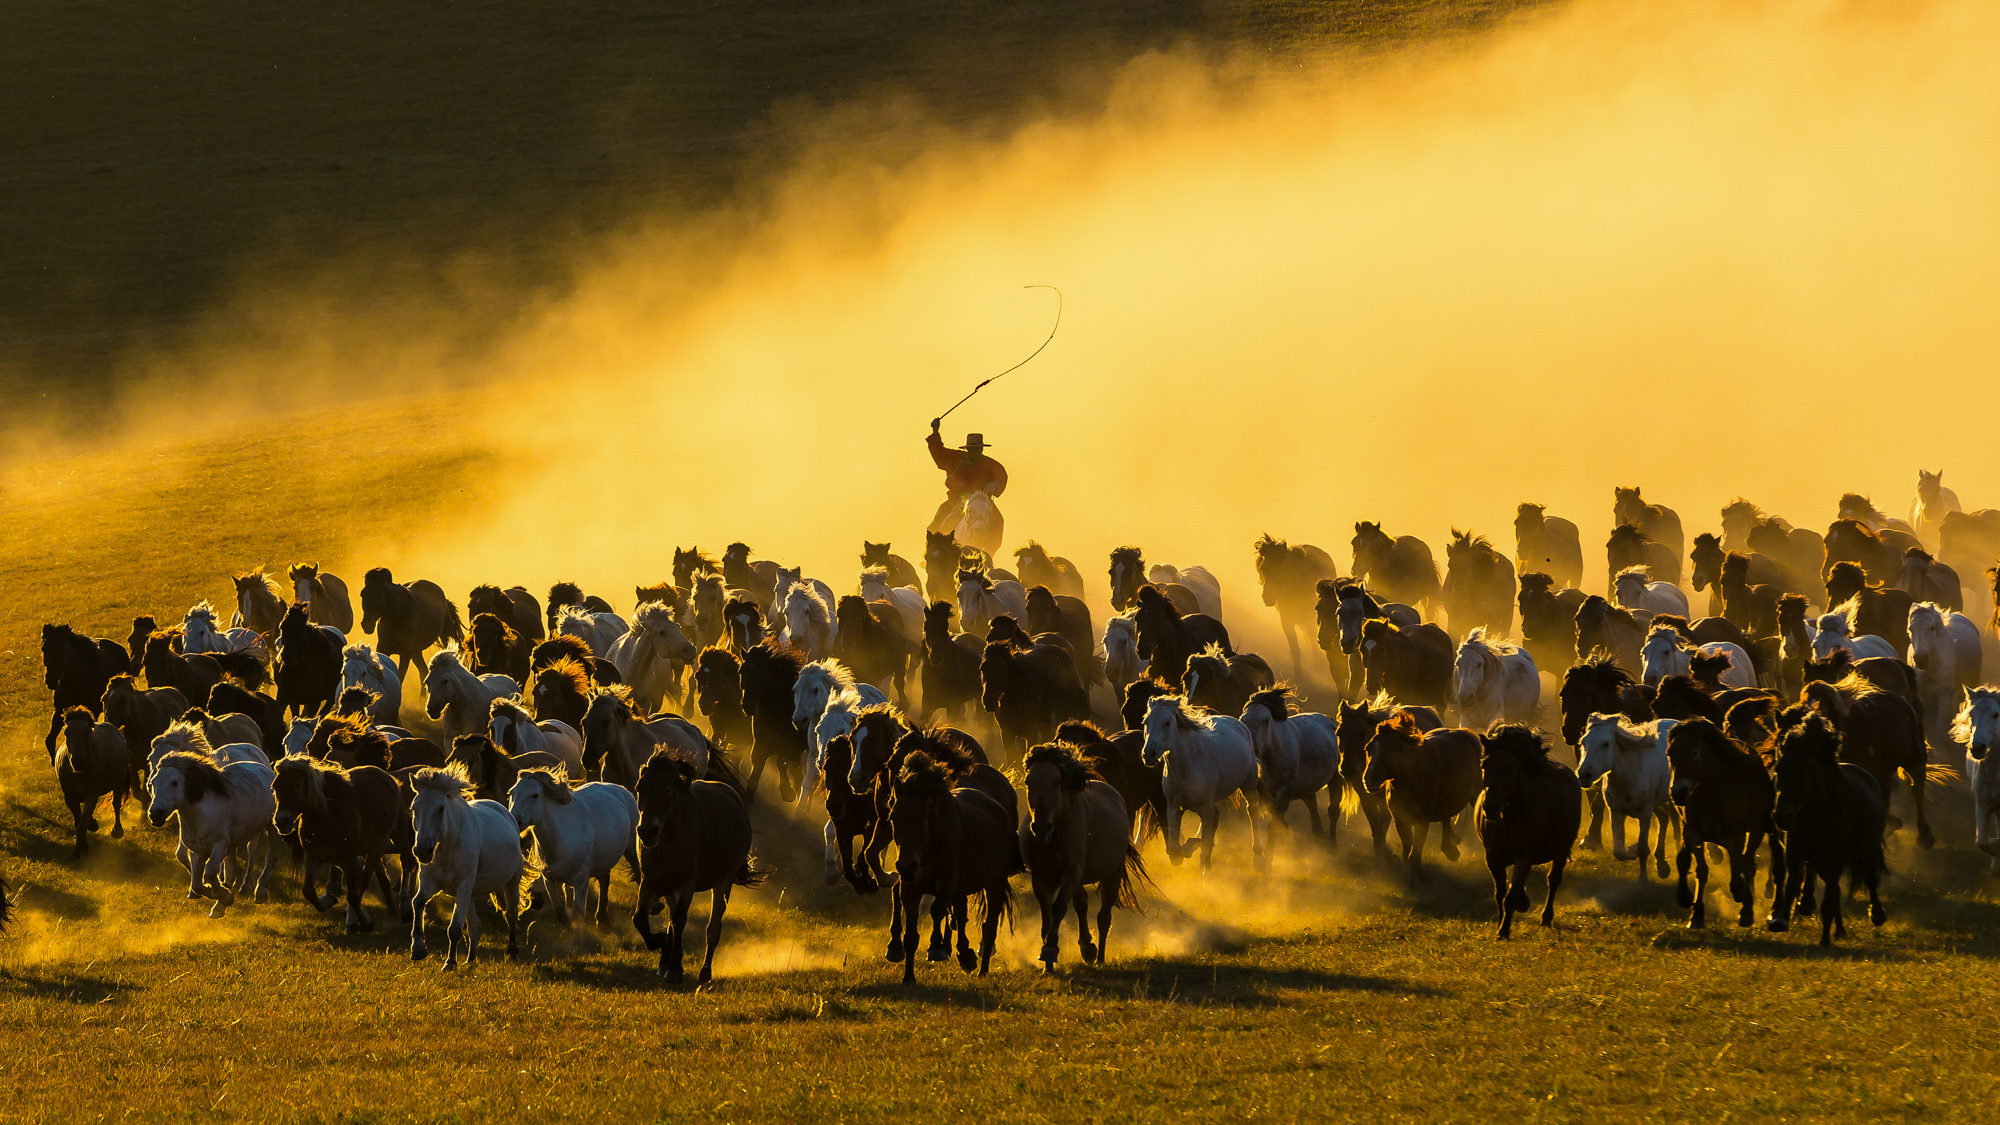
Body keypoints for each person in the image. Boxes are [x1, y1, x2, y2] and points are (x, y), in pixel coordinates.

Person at [927, 419, 1007, 534]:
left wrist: (992, 486)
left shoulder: (991, 465)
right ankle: (935, 546)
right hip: (956, 500)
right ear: (968, 448)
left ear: (982, 449)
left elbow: (1001, 477)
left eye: (977, 449)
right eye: (973, 449)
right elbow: (940, 454)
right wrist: (935, 433)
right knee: (936, 525)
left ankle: (989, 550)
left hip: (982, 501)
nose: (975, 451)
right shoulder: (956, 458)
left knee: (997, 522)